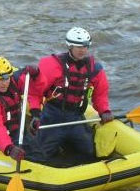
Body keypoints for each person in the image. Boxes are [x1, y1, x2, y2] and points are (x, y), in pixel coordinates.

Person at [28, 27, 114, 162]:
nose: (82, 50)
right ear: (69, 46)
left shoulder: (95, 69)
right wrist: (35, 114)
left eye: (85, 46)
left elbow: (100, 94)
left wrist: (105, 111)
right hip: (53, 116)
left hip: (75, 116)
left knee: (88, 152)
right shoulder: (52, 65)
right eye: (78, 46)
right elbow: (34, 92)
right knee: (41, 156)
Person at [0, 56, 45, 162]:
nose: (4, 83)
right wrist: (9, 148)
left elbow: (36, 89)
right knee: (30, 158)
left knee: (39, 155)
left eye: (6, 78)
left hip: (14, 131)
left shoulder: (14, 81)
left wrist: (37, 75)